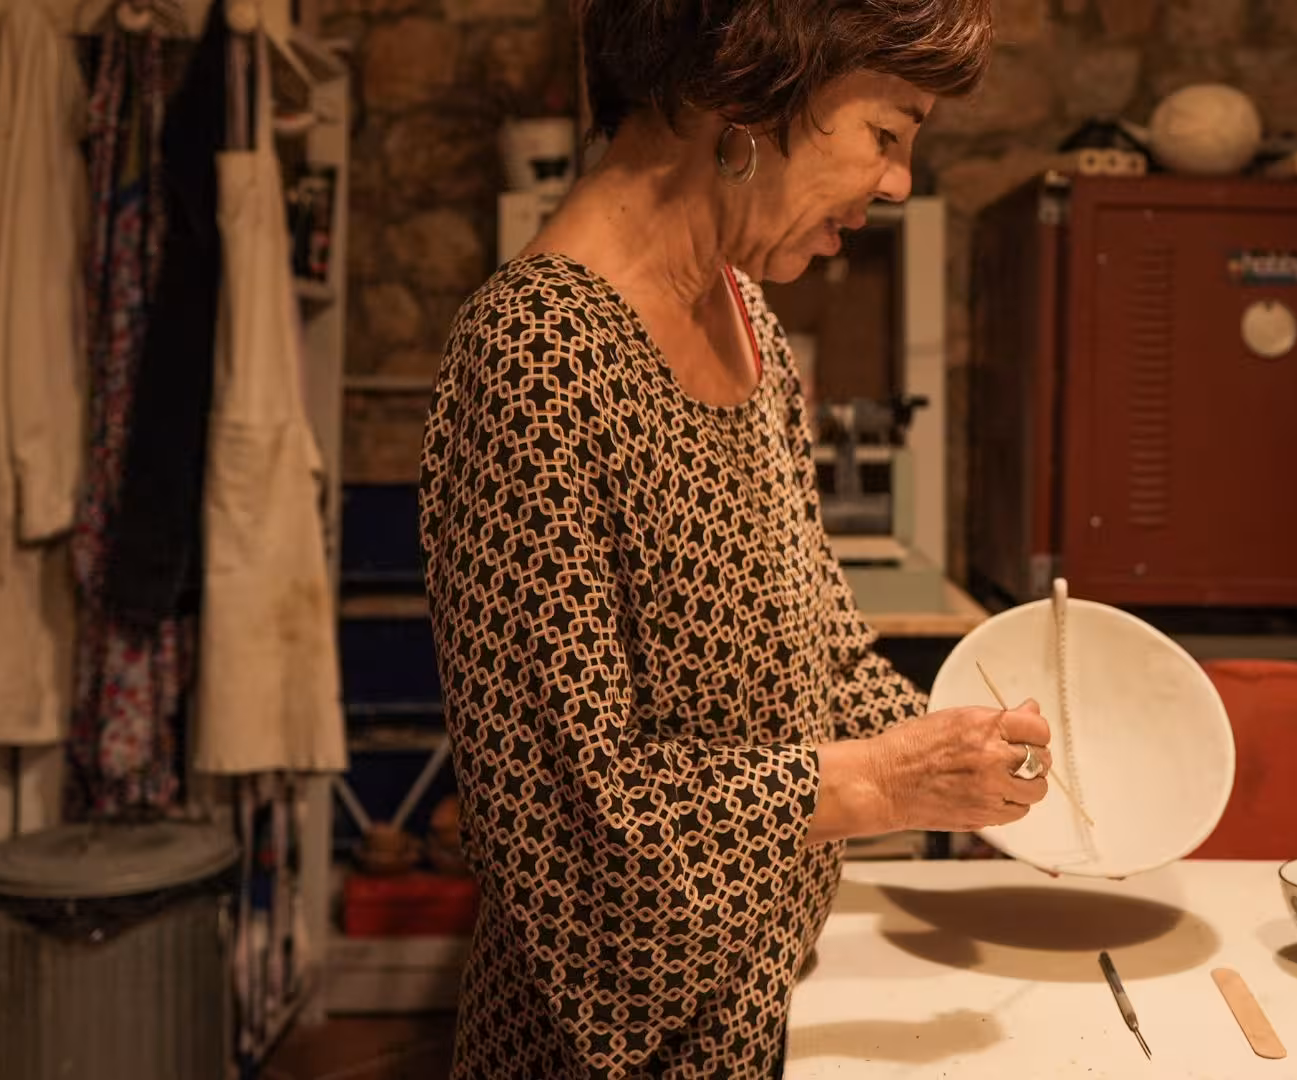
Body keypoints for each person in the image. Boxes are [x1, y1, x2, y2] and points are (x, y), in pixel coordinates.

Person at [417, 1, 1051, 1075]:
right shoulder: (536, 357)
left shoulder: (747, 316)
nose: (899, 182)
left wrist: (969, 753)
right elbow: (578, 832)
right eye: (886, 133)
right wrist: (885, 783)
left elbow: (820, 657)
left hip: (766, 1009)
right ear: (750, 88)